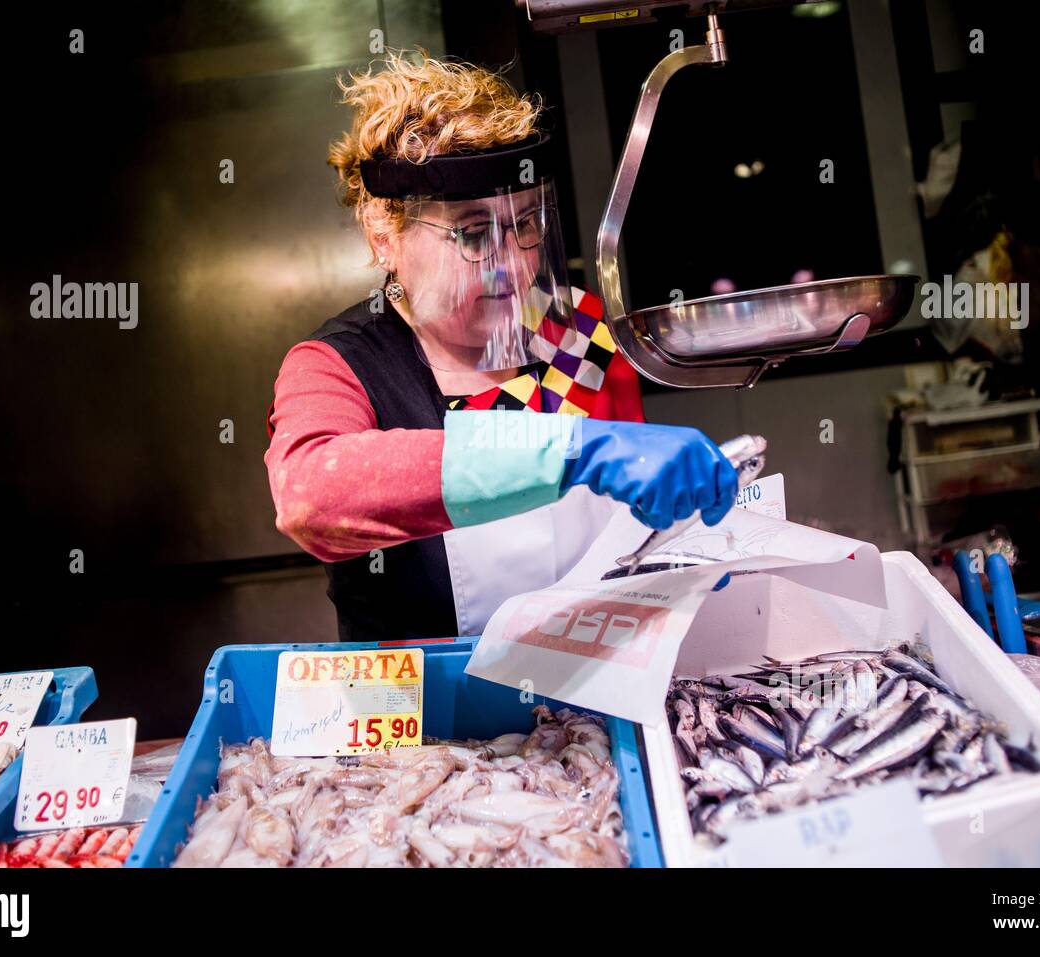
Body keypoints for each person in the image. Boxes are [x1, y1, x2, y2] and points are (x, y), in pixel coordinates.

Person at [265, 51, 737, 641]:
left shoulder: (580, 331)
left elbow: (627, 539)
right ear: (384, 236)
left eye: (526, 224)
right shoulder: (340, 364)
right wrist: (569, 450)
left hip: (589, 689)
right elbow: (313, 498)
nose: (513, 268)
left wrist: (680, 557)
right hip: (427, 715)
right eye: (472, 233)